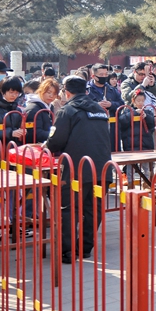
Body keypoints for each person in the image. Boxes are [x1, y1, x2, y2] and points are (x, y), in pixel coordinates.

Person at [45, 75, 111, 264]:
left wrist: (46, 146)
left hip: (76, 169)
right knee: (94, 209)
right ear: (86, 90)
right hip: (102, 167)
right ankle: (84, 248)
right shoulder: (99, 109)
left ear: (66, 91)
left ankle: (67, 252)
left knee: (69, 208)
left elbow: (56, 140)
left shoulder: (68, 110)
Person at [25, 78, 59, 143]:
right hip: (34, 146)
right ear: (41, 91)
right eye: (49, 92)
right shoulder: (33, 109)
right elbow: (35, 133)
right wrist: (56, 135)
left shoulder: (50, 106)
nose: (51, 96)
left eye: (54, 94)